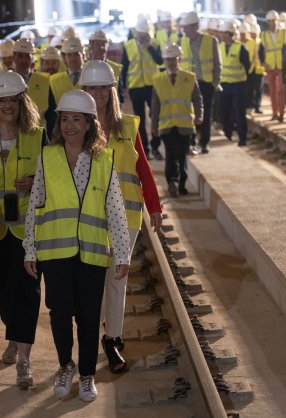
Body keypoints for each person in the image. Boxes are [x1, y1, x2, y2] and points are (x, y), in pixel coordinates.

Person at [23, 90, 130, 402]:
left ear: (89, 124)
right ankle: (64, 365)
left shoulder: (103, 160)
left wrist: (122, 252)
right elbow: (36, 203)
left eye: (77, 120)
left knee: (87, 315)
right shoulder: (49, 156)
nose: (70, 126)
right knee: (59, 313)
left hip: (92, 251)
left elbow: (115, 208)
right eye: (65, 119)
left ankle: (86, 375)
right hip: (55, 251)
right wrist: (30, 247)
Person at [80, 61, 162, 373]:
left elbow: (143, 168)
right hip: (91, 216)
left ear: (111, 91)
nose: (98, 93)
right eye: (92, 88)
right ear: (84, 91)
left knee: (117, 277)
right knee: (96, 279)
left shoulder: (128, 126)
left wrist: (154, 206)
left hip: (126, 214)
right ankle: (102, 327)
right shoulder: (77, 127)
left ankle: (112, 338)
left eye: (103, 88)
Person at [0, 71, 47, 389]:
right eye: (2, 100)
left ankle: (24, 358)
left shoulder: (38, 136)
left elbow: (55, 178)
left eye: (13, 100)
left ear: (23, 103)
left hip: (28, 231)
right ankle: (14, 331)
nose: (7, 105)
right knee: (2, 291)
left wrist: (36, 183)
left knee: (28, 292)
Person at [152, 45, 203, 197]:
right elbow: (155, 104)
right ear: (164, 61)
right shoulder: (158, 79)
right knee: (172, 153)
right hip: (167, 125)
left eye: (174, 59)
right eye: (168, 59)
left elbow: (197, 99)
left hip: (185, 124)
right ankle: (173, 181)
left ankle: (181, 185)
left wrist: (200, 115)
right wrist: (154, 125)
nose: (171, 62)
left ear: (179, 59)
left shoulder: (189, 77)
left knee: (182, 155)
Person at [122, 15, 164, 159]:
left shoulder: (155, 43)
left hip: (153, 86)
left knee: (155, 118)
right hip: (136, 88)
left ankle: (156, 146)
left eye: (146, 34)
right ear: (136, 32)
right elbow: (124, 69)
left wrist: (150, 46)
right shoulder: (128, 46)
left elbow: (160, 61)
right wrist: (123, 88)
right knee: (140, 120)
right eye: (141, 34)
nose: (143, 36)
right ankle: (145, 150)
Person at [180, 11, 221, 154]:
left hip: (206, 83)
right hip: (188, 84)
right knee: (190, 114)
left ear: (194, 27)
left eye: (185, 27)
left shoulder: (211, 41)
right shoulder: (183, 42)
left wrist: (214, 83)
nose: (183, 30)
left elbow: (217, 64)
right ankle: (192, 142)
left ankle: (205, 143)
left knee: (206, 114)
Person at [219, 20, 250, 146]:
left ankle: (242, 137)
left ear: (229, 34)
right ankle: (228, 134)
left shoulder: (241, 48)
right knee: (225, 111)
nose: (221, 35)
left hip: (238, 85)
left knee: (239, 112)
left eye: (223, 33)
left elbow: (247, 67)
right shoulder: (219, 47)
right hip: (224, 85)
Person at [12, 38, 52, 128]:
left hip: (39, 132)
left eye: (27, 56)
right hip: (14, 132)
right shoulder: (7, 80)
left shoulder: (44, 80)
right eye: (20, 56)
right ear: (13, 56)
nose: (23, 60)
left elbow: (50, 113)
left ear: (32, 57)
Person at [260, 10, 286, 122]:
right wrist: (263, 63)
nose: (273, 23)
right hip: (270, 66)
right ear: (268, 22)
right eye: (271, 21)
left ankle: (281, 114)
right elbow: (261, 51)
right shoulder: (264, 35)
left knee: (281, 90)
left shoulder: (284, 32)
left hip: (281, 65)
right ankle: (274, 113)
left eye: (274, 20)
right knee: (272, 91)